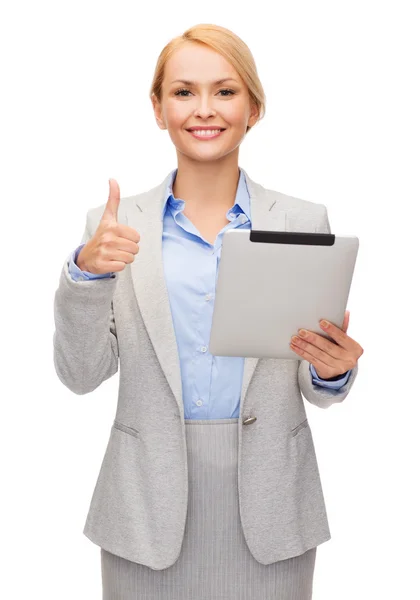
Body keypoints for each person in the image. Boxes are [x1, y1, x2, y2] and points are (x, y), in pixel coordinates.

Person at [53, 23, 363, 600]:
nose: (204, 109)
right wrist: (86, 275)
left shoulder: (302, 221)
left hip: (271, 508)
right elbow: (80, 374)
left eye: (225, 91)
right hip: (144, 508)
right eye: (182, 91)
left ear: (254, 108)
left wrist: (332, 368)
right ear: (157, 106)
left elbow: (317, 385)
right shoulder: (113, 228)